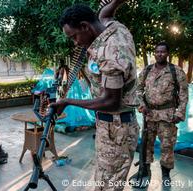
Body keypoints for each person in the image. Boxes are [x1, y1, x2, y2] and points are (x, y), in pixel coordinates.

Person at [53, 1, 139, 190]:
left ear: (85, 26)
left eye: (74, 36)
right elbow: (105, 13)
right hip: (109, 125)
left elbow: (111, 101)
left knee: (108, 185)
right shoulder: (109, 26)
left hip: (116, 128)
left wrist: (67, 101)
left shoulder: (111, 53)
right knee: (102, 178)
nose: (76, 42)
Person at [135, 42, 188, 186]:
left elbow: (183, 94)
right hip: (149, 115)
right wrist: (142, 105)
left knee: (167, 146)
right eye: (157, 52)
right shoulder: (147, 71)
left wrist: (180, 112)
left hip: (168, 115)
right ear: (154, 53)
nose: (160, 54)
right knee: (146, 146)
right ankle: (145, 172)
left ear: (167, 53)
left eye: (163, 52)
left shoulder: (175, 71)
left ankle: (166, 175)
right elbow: (138, 90)